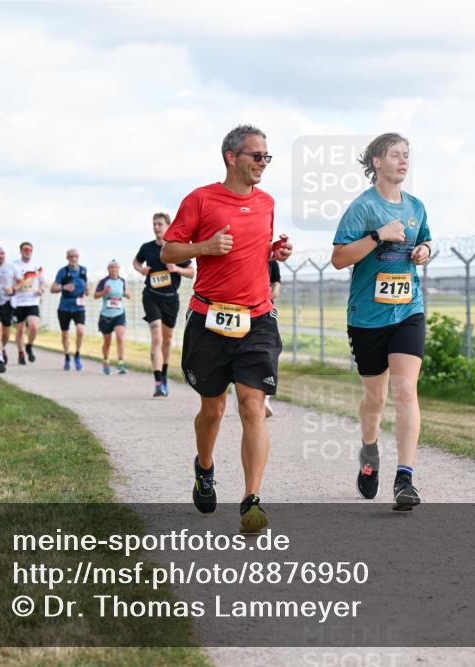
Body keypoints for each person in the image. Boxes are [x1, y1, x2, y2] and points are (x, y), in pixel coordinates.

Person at [161, 124, 293, 533]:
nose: (263, 163)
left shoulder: (267, 203)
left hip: (257, 317)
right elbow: (169, 250)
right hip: (210, 317)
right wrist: (203, 247)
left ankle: (252, 501)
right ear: (231, 157)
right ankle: (204, 468)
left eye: (267, 157)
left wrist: (275, 252)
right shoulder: (200, 199)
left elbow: (254, 250)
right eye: (257, 156)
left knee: (252, 405)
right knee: (213, 408)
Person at [330, 132, 431, 512]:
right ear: (376, 162)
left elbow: (427, 240)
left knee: (406, 390)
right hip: (368, 318)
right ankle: (369, 450)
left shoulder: (416, 206)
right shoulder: (362, 208)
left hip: (408, 310)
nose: (404, 161)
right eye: (395, 155)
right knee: (376, 399)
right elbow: (339, 259)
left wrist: (424, 250)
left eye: (407, 155)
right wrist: (378, 236)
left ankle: (405, 478)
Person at [133, 212, 195, 396]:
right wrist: (141, 269)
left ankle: (164, 375)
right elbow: (136, 262)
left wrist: (176, 269)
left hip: (170, 299)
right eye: (154, 224)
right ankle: (158, 382)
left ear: (168, 226)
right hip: (151, 296)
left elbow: (191, 272)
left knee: (167, 340)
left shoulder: (175, 249)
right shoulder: (147, 248)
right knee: (157, 338)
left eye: (160, 224)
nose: (156, 227)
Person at [52, 249, 89, 371]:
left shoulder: (83, 270)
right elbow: (53, 288)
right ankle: (67, 356)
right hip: (64, 307)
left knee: (81, 331)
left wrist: (87, 290)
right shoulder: (62, 271)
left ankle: (77, 355)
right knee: (65, 334)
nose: (73, 259)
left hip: (79, 306)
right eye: (71, 256)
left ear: (78, 257)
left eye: (75, 256)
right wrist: (64, 287)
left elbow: (86, 284)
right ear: (67, 258)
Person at [11, 241, 45, 365]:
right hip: (18, 302)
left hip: (33, 300)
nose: (28, 252)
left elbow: (42, 282)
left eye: (30, 250)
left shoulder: (37, 266)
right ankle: (21, 353)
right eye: (25, 249)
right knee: (20, 330)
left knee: (34, 326)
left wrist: (41, 289)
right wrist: (16, 287)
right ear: (20, 251)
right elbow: (9, 282)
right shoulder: (14, 265)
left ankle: (29, 346)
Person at [93, 260, 129, 376]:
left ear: (118, 269)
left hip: (119, 314)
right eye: (111, 267)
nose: (114, 269)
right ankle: (106, 362)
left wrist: (126, 294)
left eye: (115, 267)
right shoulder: (103, 281)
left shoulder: (122, 281)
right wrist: (104, 291)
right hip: (106, 316)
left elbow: (123, 292)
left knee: (120, 337)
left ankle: (121, 363)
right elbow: (95, 296)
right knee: (107, 342)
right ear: (108, 269)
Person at [263, 258, 282, 418]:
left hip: (264, 311)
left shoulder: (271, 261)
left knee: (269, 354)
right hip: (236, 310)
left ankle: (265, 398)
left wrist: (273, 291)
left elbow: (276, 283)